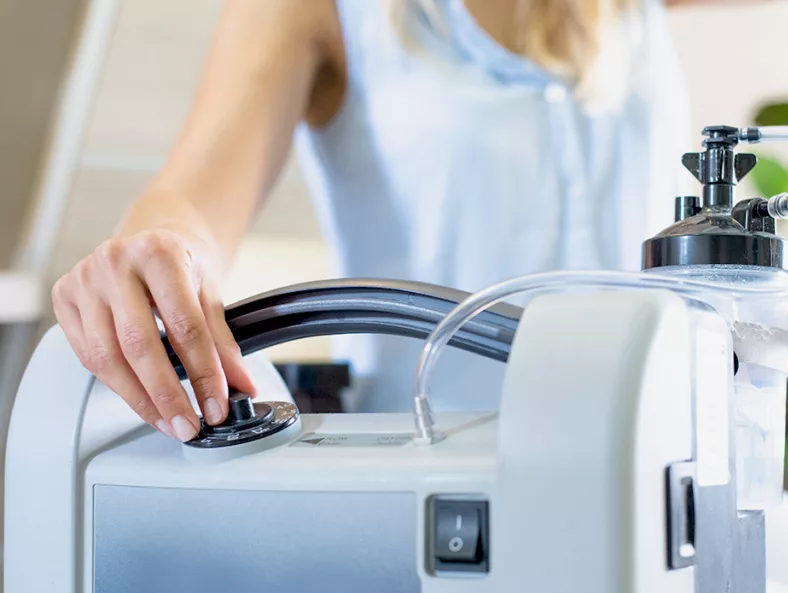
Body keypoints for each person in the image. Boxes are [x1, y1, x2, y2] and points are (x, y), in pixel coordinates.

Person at [52, 0, 697, 442]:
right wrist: (155, 255)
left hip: (663, 464)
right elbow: (192, 199)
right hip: (446, 491)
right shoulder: (316, 12)